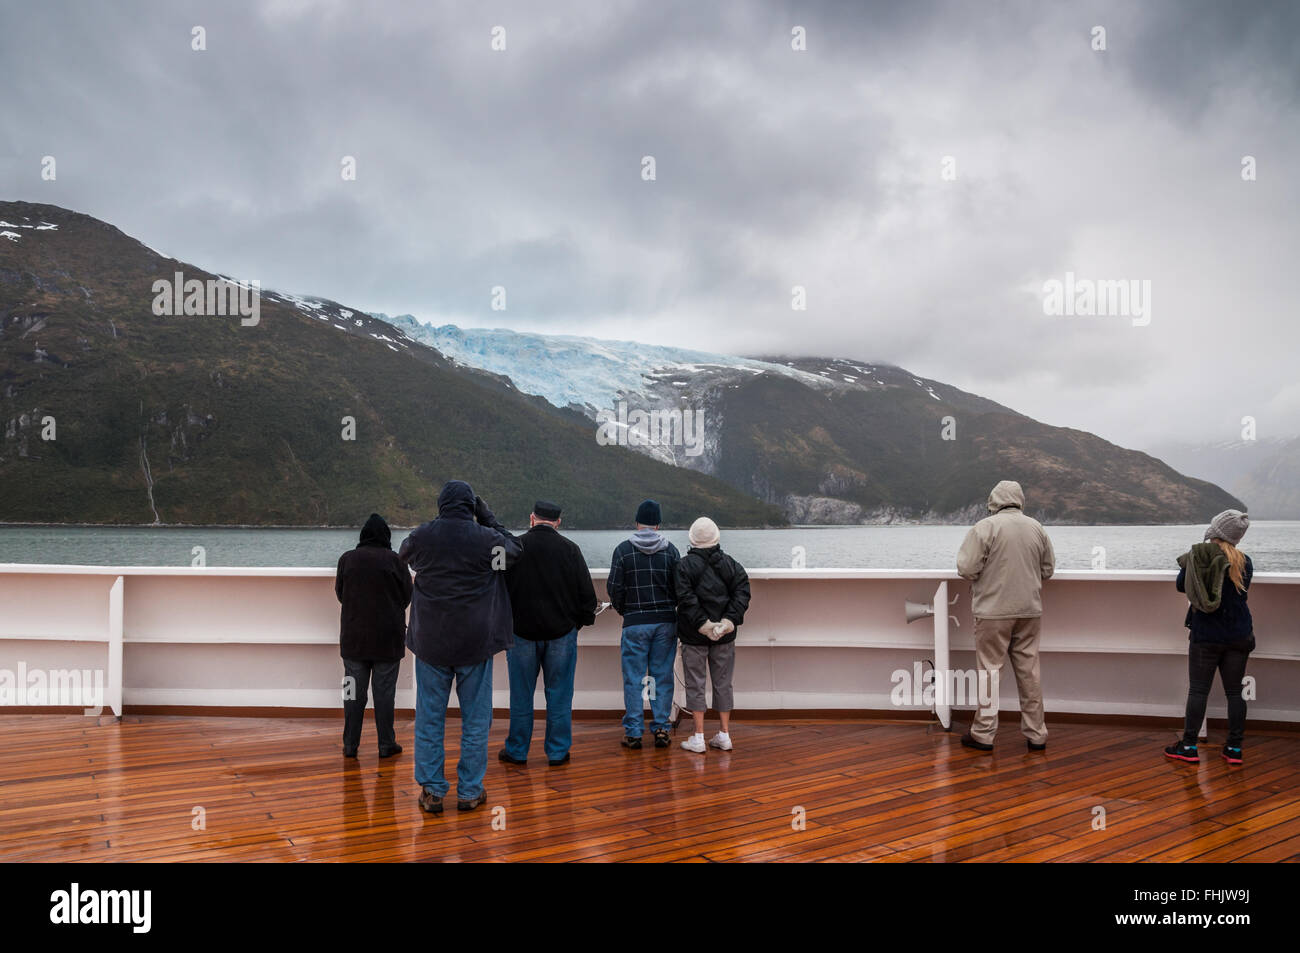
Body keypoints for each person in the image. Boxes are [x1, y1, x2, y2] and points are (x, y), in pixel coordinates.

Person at [399, 481, 521, 815]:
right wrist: (489, 519)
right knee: (476, 720)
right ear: (472, 507)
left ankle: (433, 791)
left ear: (441, 505)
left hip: (430, 644)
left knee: (429, 719)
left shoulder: (423, 536)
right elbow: (516, 550)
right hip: (475, 644)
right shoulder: (486, 539)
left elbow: (405, 553)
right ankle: (469, 791)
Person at [955, 480, 1056, 752]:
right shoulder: (1037, 528)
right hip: (1029, 611)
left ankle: (984, 733)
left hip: (993, 612)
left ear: (994, 501)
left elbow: (966, 567)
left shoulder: (985, 527)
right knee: (1029, 673)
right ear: (1020, 500)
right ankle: (1037, 734)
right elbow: (1047, 570)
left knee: (990, 672)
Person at [499, 500, 598, 767]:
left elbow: (495, 587)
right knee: (559, 695)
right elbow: (587, 597)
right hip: (561, 634)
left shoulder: (513, 548)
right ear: (558, 522)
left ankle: (517, 751)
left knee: (521, 695)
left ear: (532, 518)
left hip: (520, 634)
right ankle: (557, 752)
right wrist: (577, 623)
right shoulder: (571, 550)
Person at [1166, 509, 1255, 766]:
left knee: (1198, 690)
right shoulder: (1244, 562)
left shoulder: (1199, 557)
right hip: (1239, 634)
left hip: (1206, 635)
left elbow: (1181, 585)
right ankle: (1234, 749)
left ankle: (1189, 745)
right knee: (1235, 692)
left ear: (1215, 532)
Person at [335, 513, 412, 759]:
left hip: (353, 639)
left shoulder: (347, 559)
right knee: (384, 693)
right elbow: (406, 596)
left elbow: (340, 593)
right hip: (387, 639)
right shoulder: (396, 561)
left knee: (352, 693)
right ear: (387, 537)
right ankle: (386, 744)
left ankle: (350, 744)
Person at [607, 499, 680, 749]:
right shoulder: (671, 551)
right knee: (661, 676)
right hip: (665, 623)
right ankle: (661, 728)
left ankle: (634, 732)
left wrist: (625, 611)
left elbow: (614, 588)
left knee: (634, 678)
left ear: (637, 522)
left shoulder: (623, 550)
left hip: (635, 623)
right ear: (658, 524)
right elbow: (679, 588)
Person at [674, 516, 750, 753]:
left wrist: (703, 624)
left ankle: (698, 736)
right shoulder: (731, 564)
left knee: (695, 683)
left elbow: (686, 599)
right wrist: (727, 622)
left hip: (693, 636)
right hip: (725, 637)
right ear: (717, 537)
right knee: (723, 683)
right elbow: (742, 593)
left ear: (692, 539)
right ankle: (724, 734)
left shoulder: (683, 566)